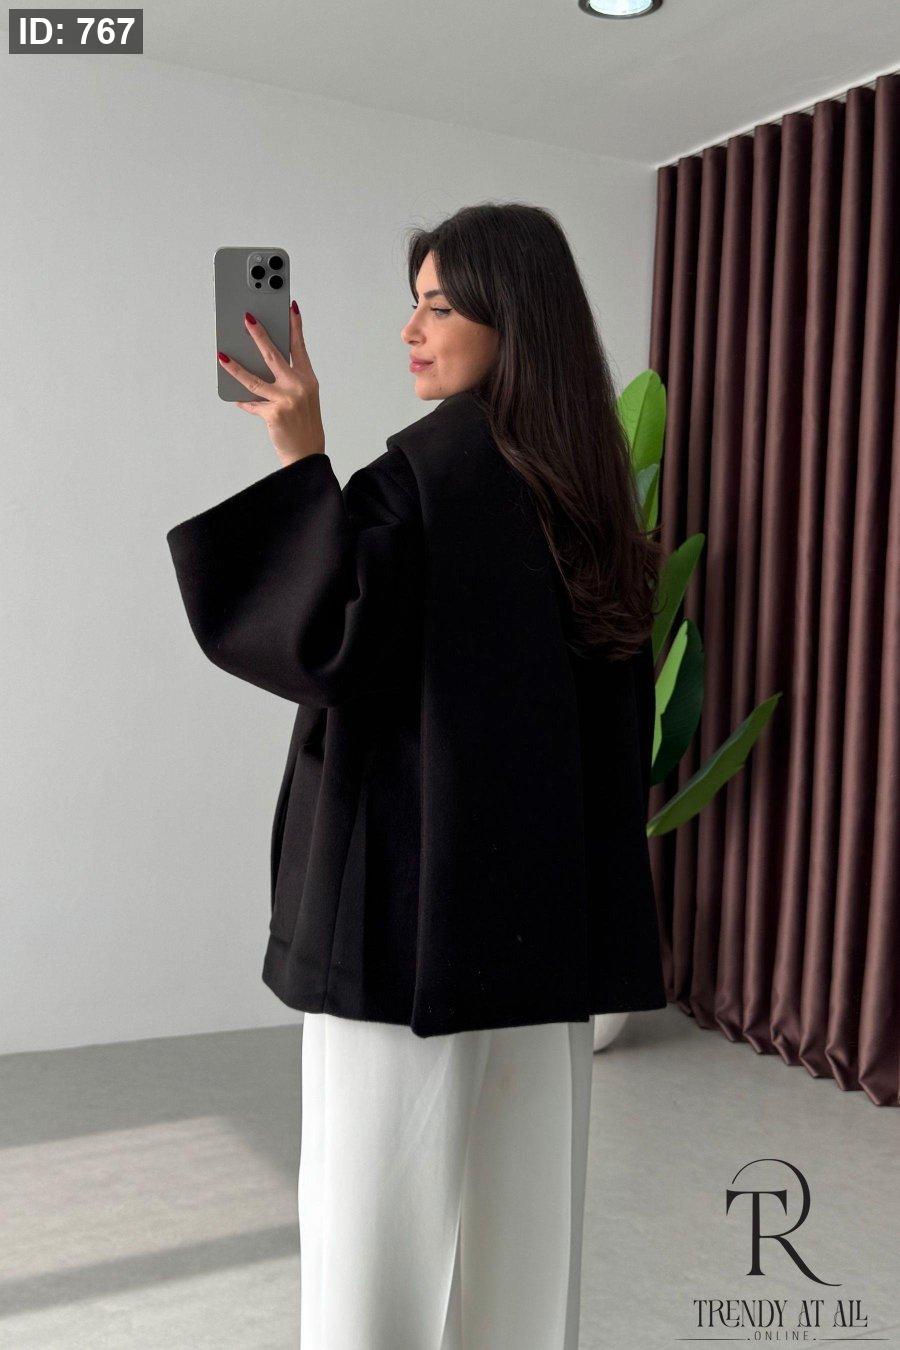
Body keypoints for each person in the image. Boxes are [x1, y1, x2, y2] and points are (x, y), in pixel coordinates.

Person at [166, 203, 667, 1349]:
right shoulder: (588, 496)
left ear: (511, 317)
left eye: (438, 306)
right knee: (523, 1247)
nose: (411, 329)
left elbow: (322, 640)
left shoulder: (425, 480)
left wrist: (302, 457)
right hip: (540, 943)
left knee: (371, 1245)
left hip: (400, 934)